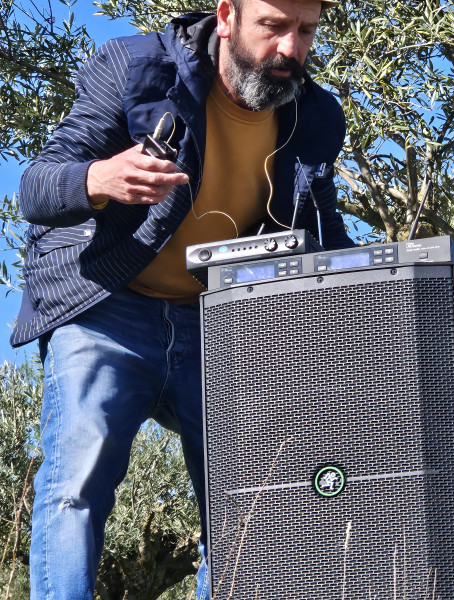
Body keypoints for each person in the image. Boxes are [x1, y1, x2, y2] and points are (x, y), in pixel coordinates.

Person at [10, 0, 353, 597]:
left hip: (218, 326)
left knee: (249, 499)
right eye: (274, 27)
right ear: (227, 17)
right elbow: (35, 188)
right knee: (74, 489)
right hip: (108, 309)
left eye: (306, 30)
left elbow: (323, 226)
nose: (291, 48)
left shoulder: (317, 116)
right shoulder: (134, 67)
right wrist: (98, 179)